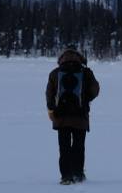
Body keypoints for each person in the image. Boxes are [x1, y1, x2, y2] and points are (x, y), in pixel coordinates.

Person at [45, 47, 100, 185]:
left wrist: (51, 109)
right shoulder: (86, 72)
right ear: (79, 57)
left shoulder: (55, 73)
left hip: (61, 116)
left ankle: (66, 176)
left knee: (64, 148)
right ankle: (78, 174)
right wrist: (85, 99)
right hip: (80, 116)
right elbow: (95, 89)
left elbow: (49, 94)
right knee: (78, 147)